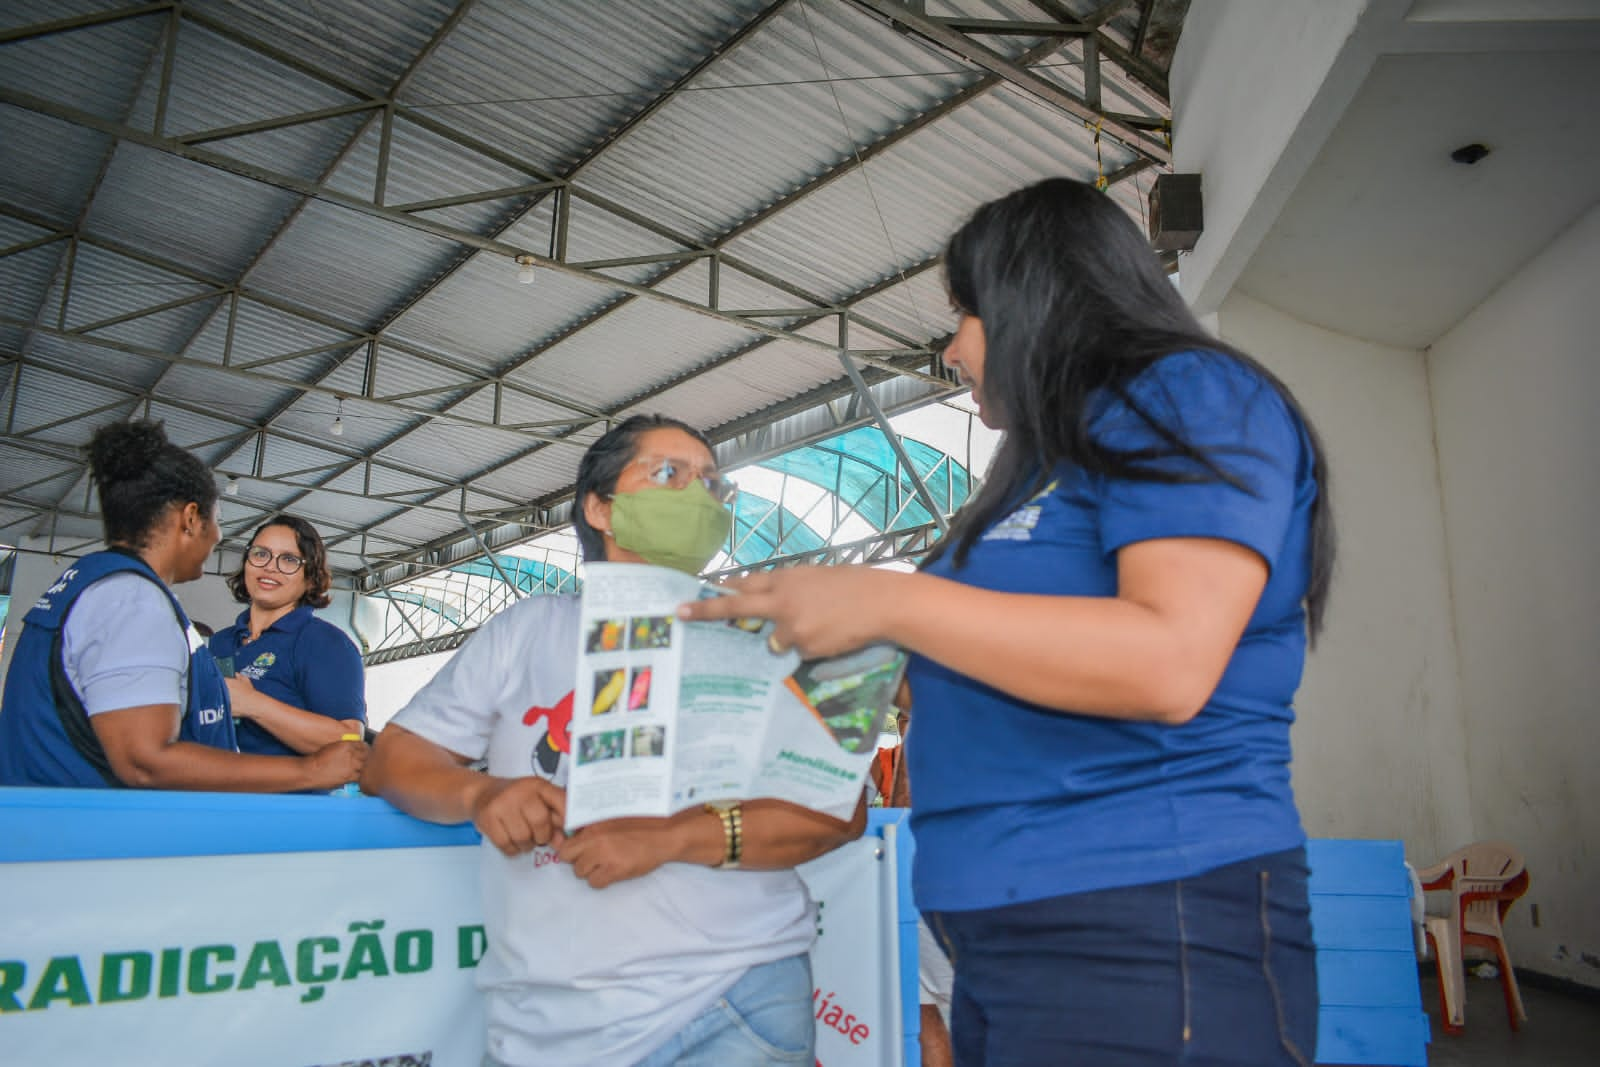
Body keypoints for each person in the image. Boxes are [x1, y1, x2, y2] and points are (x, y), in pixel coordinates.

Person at [682, 177, 1334, 1066]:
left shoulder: (1188, 393)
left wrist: (886, 599)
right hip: (1000, 939)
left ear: (1037, 300)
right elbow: (977, 661)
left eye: (965, 316)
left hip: (1144, 922)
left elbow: (1170, 661)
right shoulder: (1032, 471)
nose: (951, 351)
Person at [362, 414, 866, 1067]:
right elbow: (394, 756)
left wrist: (669, 838)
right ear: (599, 507)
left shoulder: (765, 635)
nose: (698, 495)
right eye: (668, 474)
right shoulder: (531, 628)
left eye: (712, 485)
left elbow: (838, 809)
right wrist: (479, 792)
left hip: (731, 1004)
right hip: (539, 1021)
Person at [0, 420, 365, 792]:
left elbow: (348, 738)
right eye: (218, 521)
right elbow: (145, 760)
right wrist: (308, 772)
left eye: (288, 560)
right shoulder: (133, 600)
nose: (218, 536)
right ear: (191, 519)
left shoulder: (92, 583)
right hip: (88, 833)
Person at [210, 514, 367, 760]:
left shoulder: (324, 642)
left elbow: (348, 740)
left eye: (289, 559)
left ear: (310, 576)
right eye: (261, 554)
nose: (270, 567)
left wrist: (253, 704)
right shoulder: (220, 642)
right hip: (213, 793)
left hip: (288, 797)